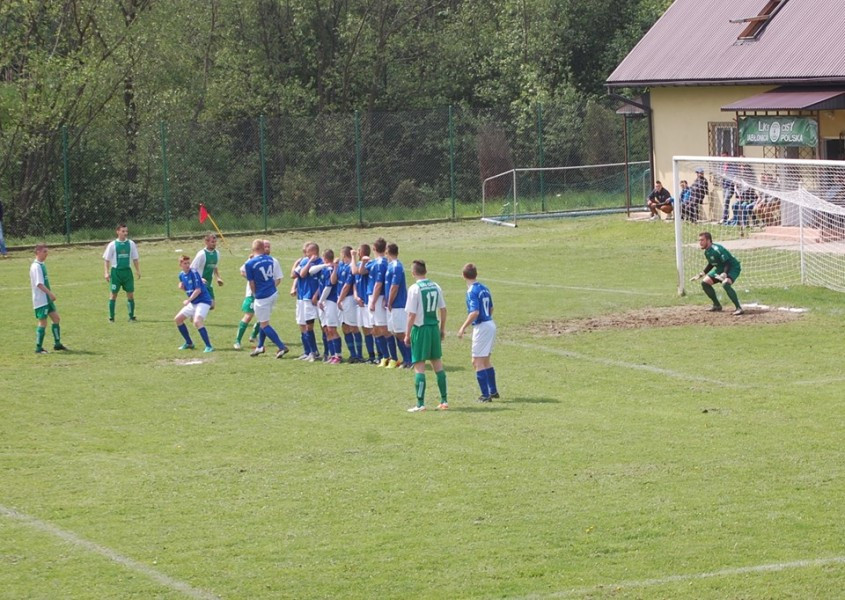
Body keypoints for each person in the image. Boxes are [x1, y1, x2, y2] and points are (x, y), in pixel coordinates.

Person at [404, 259, 448, 412]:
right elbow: (443, 310)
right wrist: (442, 329)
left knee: (419, 366)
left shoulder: (414, 289)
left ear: (413, 273)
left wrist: (407, 334)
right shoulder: (436, 286)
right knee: (438, 365)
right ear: (426, 271)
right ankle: (444, 400)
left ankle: (420, 403)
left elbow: (411, 314)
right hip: (433, 328)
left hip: (420, 329)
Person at [457, 263, 499, 402]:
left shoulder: (471, 291)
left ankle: (485, 395)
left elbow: (475, 312)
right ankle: (493, 391)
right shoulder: (484, 288)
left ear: (463, 276)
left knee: (476, 361)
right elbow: (491, 308)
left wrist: (463, 327)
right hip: (490, 323)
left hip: (482, 327)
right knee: (485, 360)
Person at [244, 239, 290, 358]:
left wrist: (255, 295)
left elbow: (251, 282)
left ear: (254, 249)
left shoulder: (249, 263)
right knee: (262, 320)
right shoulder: (270, 259)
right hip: (272, 292)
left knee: (264, 324)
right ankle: (260, 346)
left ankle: (281, 346)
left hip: (262, 296)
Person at [690, 231, 743, 315]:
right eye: (699, 240)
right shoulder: (707, 252)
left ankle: (738, 308)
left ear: (709, 240)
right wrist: (701, 274)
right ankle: (717, 305)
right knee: (705, 283)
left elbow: (728, 262)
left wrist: (725, 274)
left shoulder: (717, 249)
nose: (700, 242)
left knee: (725, 284)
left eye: (702, 240)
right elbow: (711, 263)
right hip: (721, 268)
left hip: (732, 267)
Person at [30, 244, 66, 353]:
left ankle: (57, 344)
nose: (47, 254)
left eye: (47, 252)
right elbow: (39, 284)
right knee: (43, 322)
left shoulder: (42, 264)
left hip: (47, 300)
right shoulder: (36, 266)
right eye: (44, 252)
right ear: (38, 252)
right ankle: (38, 347)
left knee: (56, 319)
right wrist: (50, 294)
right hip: (41, 300)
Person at [174, 255, 214, 352]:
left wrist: (188, 300)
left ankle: (209, 346)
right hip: (194, 302)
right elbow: (187, 288)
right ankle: (189, 343)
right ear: (180, 265)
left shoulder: (194, 273)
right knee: (178, 319)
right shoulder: (181, 275)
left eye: (188, 263)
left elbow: (198, 290)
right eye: (185, 263)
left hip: (203, 301)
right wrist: (182, 287)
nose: (188, 265)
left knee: (197, 321)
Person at [103, 224, 141, 322]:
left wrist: (137, 271)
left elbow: (135, 258)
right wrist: (106, 273)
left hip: (127, 272)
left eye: (126, 231)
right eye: (123, 231)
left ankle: (131, 316)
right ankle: (111, 318)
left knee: (130, 294)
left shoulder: (131, 244)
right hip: (116, 272)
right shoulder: (112, 245)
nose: (125, 233)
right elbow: (106, 260)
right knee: (113, 295)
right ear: (118, 232)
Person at [336, 246, 364, 363]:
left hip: (348, 299)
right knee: (344, 327)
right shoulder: (341, 266)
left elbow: (347, 286)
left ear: (344, 254)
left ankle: (359, 355)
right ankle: (352, 354)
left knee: (353, 327)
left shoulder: (352, 267)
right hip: (341, 298)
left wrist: (339, 300)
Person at [385, 243, 411, 368]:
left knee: (401, 333)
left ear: (387, 252)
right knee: (395, 332)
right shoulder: (391, 265)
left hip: (398, 305)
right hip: (393, 306)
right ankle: (406, 360)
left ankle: (410, 359)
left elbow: (394, 287)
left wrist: (389, 302)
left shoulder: (396, 266)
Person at [351, 244, 377, 363]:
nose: (357, 252)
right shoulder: (357, 264)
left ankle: (379, 355)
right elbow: (355, 281)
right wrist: (355, 296)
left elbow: (358, 272)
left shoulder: (368, 264)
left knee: (373, 329)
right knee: (365, 329)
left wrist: (353, 257)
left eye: (358, 251)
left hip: (367, 302)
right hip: (359, 302)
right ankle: (371, 355)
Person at [367, 237, 391, 366]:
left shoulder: (380, 263)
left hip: (378, 297)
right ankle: (382, 356)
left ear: (374, 249)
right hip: (375, 297)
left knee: (383, 328)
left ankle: (389, 357)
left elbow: (378, 284)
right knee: (375, 328)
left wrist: (373, 301)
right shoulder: (377, 262)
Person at [233, 252, 261, 350]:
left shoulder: (269, 260)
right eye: (265, 246)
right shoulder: (253, 259)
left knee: (264, 317)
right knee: (248, 316)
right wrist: (252, 279)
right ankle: (237, 341)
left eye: (268, 247)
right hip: (252, 294)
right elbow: (242, 270)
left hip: (264, 294)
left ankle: (253, 336)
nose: (267, 249)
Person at [191, 233, 224, 308]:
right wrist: (200, 279)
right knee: (206, 305)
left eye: (215, 242)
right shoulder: (201, 254)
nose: (214, 244)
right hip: (200, 284)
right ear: (206, 242)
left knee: (211, 305)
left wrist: (218, 277)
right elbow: (192, 269)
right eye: (212, 242)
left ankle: (194, 313)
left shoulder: (217, 253)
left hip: (209, 284)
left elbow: (215, 266)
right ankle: (195, 314)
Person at [719, 153, 740, 224]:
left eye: (724, 157)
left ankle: (724, 218)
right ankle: (725, 217)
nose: (723, 159)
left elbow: (734, 175)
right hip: (724, 186)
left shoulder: (732, 165)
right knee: (725, 203)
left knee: (726, 201)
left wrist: (727, 176)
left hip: (730, 186)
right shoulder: (722, 166)